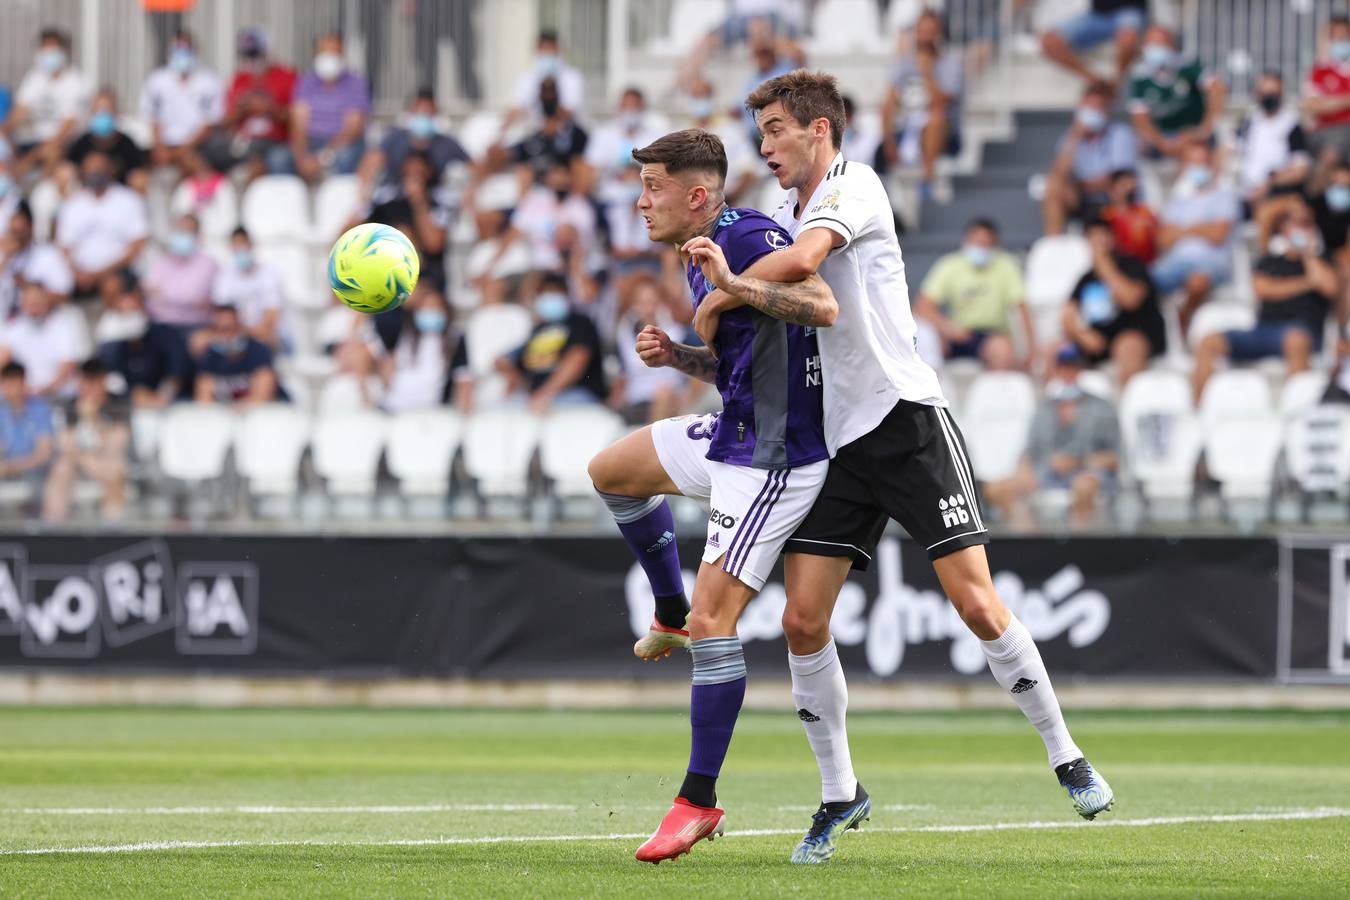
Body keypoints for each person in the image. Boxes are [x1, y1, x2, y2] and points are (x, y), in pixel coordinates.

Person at [705, 71, 1112, 856]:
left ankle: (1067, 755)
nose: (766, 146)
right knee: (799, 620)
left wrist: (726, 287)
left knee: (977, 605)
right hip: (839, 442)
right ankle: (838, 794)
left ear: (819, 130)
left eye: (777, 131)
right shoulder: (783, 211)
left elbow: (804, 262)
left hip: (906, 420)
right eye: (761, 133)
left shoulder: (853, 189)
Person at [583, 129, 839, 864]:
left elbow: (821, 305)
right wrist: (683, 356)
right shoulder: (703, 252)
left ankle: (697, 800)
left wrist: (727, 284)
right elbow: (746, 363)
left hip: (772, 459)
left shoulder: (748, 235)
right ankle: (664, 611)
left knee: (715, 617)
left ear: (697, 196)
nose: (640, 202)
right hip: (734, 429)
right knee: (613, 470)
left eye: (653, 188)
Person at [1191, 205, 1337, 401]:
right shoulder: (1269, 261)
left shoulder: (1322, 260)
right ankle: (1199, 410)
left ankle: (1297, 410)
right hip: (1263, 331)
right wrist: (1307, 284)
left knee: (1295, 339)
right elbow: (1263, 290)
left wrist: (1308, 255)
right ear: (1284, 228)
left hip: (1303, 333)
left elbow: (1329, 287)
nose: (1301, 228)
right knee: (1208, 341)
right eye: (1296, 223)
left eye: (1306, 223)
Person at [984, 346, 1121, 527]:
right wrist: (1024, 469)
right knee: (996, 489)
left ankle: (1079, 547)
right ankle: (1029, 542)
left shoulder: (1102, 407)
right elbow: (1029, 449)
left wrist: (1079, 461)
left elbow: (1115, 457)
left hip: (1088, 472)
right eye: (1064, 367)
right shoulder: (1044, 408)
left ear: (1081, 369)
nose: (1068, 373)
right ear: (1057, 370)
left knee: (1083, 486)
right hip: (1047, 472)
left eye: (1073, 367)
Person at [915, 218, 1032, 370]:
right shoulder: (950, 265)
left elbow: (1022, 307)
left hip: (991, 335)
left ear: (994, 246)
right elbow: (922, 306)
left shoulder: (1006, 266)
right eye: (976, 242)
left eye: (985, 244)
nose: (980, 248)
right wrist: (947, 328)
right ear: (966, 241)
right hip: (955, 335)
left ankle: (995, 392)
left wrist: (1031, 350)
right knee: (927, 340)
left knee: (1001, 349)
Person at [1150, 139, 1240, 331]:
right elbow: (1162, 239)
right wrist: (1200, 228)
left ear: (1211, 165)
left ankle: (1184, 320)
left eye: (1202, 162)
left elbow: (1218, 234)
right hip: (1174, 265)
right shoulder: (1176, 201)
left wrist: (1181, 231)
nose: (1198, 167)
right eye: (1193, 162)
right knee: (1141, 284)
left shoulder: (1224, 196)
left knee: (1197, 282)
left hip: (1210, 264)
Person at [1063, 217, 1163, 386]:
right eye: (1092, 238)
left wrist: (1104, 265)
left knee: (1127, 347)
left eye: (1102, 236)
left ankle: (1130, 405)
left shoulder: (1132, 265)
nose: (1097, 243)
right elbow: (1067, 316)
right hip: (1100, 342)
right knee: (1057, 352)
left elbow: (1131, 299)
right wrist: (1083, 336)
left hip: (1136, 334)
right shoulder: (1085, 278)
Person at [498, 273, 608, 413]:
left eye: (554, 292)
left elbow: (577, 359)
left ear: (566, 295)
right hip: (539, 400)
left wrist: (545, 394)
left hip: (575, 395)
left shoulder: (579, 323)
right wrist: (516, 380)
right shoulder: (537, 330)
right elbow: (507, 362)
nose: (550, 297)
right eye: (545, 293)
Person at [879, 10, 963, 187]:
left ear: (938, 33)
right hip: (907, 126)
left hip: (943, 132)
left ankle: (927, 179)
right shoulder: (903, 63)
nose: (926, 36)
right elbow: (889, 101)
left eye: (931, 31)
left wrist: (927, 72)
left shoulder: (950, 63)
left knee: (936, 117)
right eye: (923, 31)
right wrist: (888, 140)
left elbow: (942, 101)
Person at [1042, 83, 1138, 235]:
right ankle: (1053, 244)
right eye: (1088, 106)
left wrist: (1080, 185)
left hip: (1112, 197)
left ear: (1106, 111)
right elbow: (1059, 174)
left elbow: (1117, 178)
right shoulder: (1070, 137)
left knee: (1121, 186)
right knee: (1054, 185)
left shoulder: (1120, 134)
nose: (1091, 112)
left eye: (1096, 107)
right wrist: (1075, 137)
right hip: (1081, 198)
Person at [42, 358, 128, 522]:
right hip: (78, 461)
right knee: (60, 470)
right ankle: (54, 523)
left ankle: (113, 527)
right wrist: (86, 460)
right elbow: (65, 443)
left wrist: (92, 419)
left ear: (103, 381)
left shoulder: (118, 404)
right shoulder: (70, 405)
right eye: (84, 382)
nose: (87, 389)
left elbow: (116, 444)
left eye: (92, 382)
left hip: (107, 460)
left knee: (114, 471)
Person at [55, 151, 148, 297]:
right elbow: (65, 247)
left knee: (111, 285)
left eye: (100, 169)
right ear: (83, 172)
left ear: (111, 170)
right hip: (80, 273)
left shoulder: (129, 200)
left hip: (117, 270)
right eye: (91, 169)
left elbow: (137, 245)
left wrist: (100, 274)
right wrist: (77, 273)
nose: (96, 173)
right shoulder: (72, 204)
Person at [611, 272, 698, 424]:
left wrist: (687, 398)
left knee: (667, 394)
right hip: (640, 399)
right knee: (664, 394)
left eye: (652, 302)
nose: (648, 308)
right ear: (634, 305)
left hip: (675, 397)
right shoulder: (624, 333)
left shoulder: (677, 330)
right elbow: (621, 373)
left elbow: (696, 371)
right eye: (642, 303)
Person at [1128, 25, 1226, 159]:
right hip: (1163, 136)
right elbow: (1140, 117)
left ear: (1171, 45)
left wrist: (1204, 128)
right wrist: (1161, 142)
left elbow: (1217, 89)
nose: (1155, 49)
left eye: (1160, 43)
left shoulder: (1187, 65)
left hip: (1193, 131)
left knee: (1198, 152)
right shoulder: (1140, 75)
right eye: (1151, 43)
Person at [359, 88, 468, 206]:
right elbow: (372, 160)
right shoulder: (395, 137)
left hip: (431, 200)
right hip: (394, 196)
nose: (424, 114)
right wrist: (364, 191)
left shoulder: (447, 143)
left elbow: (473, 166)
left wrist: (471, 191)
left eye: (428, 111)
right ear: (412, 110)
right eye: (420, 110)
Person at [6, 28, 92, 177]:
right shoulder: (34, 77)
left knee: (51, 153)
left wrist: (28, 160)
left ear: (64, 52)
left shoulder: (77, 82)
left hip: (65, 144)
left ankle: (45, 196)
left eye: (53, 49)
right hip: (33, 141)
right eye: (45, 49)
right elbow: (19, 112)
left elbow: (65, 131)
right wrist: (4, 132)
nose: (48, 55)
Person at [284, 33, 371, 180]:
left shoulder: (356, 83)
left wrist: (322, 158)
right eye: (325, 52)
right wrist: (302, 157)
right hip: (312, 142)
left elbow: (353, 130)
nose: (330, 57)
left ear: (343, 55)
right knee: (281, 159)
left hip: (341, 145)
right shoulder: (307, 82)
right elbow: (298, 125)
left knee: (346, 158)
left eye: (334, 52)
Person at [139, 30, 225, 174]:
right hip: (164, 146)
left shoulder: (209, 81)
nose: (182, 54)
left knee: (190, 161)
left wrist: (181, 151)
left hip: (198, 146)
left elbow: (210, 124)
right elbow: (152, 117)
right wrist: (160, 148)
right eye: (178, 49)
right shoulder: (157, 80)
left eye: (187, 49)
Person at [95, 282, 191, 408]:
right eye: (124, 313)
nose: (129, 317)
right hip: (133, 405)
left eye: (133, 309)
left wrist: (162, 396)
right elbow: (114, 379)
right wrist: (133, 394)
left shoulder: (164, 334)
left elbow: (177, 370)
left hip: (171, 404)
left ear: (143, 309)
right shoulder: (116, 345)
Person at [217, 26, 297, 178]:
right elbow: (226, 122)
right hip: (243, 141)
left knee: (274, 160)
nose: (253, 60)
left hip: (275, 141)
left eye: (256, 54)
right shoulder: (239, 79)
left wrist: (269, 108)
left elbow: (296, 118)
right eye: (249, 55)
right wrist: (242, 109)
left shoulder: (287, 77)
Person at [380, 285, 468, 412]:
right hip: (393, 406)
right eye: (425, 307)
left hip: (430, 410)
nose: (429, 311)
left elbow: (464, 377)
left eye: (434, 307)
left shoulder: (454, 338)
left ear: (445, 311)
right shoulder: (403, 331)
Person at [1238, 71, 1310, 218]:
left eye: (1273, 91)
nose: (1268, 96)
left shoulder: (1291, 125)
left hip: (1277, 191)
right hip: (1244, 190)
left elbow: (1300, 170)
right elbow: (1229, 149)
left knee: (1265, 214)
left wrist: (1268, 185)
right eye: (1264, 91)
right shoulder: (1250, 121)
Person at [0, 280, 88, 399]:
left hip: (57, 396)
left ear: (46, 301)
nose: (33, 309)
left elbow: (69, 365)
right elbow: (3, 359)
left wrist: (47, 390)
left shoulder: (63, 326)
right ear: (22, 304)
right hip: (23, 398)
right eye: (29, 303)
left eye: (37, 302)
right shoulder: (13, 329)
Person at [1039, 0, 1146, 90]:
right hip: (1096, 13)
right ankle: (1095, 81)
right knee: (1049, 41)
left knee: (1127, 39)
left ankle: (1117, 84)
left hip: (1129, 11)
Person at [141, 213, 218, 336]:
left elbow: (194, 296)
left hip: (195, 326)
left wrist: (164, 296)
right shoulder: (162, 262)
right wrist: (183, 299)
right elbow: (148, 292)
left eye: (189, 232)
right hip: (161, 324)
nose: (184, 236)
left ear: (198, 236)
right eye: (181, 231)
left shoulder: (208, 264)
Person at [193, 303, 281, 407]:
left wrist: (239, 407)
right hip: (223, 416)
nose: (227, 336)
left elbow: (263, 394)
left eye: (230, 328)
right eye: (221, 330)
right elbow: (203, 399)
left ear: (240, 326)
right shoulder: (210, 355)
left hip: (256, 416)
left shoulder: (258, 351)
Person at [212, 227, 285, 350]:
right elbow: (221, 314)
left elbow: (272, 316)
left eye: (243, 243)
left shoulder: (269, 273)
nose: (240, 247)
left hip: (261, 333)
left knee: (265, 339)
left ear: (251, 244)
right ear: (230, 247)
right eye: (236, 243)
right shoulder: (224, 275)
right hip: (233, 332)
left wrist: (246, 331)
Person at [0, 204, 74, 321]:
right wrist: (6, 258)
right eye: (13, 232)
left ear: (30, 227)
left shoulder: (48, 255)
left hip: (41, 323)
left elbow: (64, 296)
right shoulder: (5, 256)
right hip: (8, 324)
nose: (16, 237)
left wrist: (29, 286)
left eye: (20, 231)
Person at [65, 89, 149, 188]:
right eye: (99, 110)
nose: (103, 114)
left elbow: (138, 172)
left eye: (107, 110)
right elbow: (70, 167)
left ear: (116, 112)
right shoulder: (81, 143)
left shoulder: (127, 144)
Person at [505, 30, 586, 131]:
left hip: (568, 135)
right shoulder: (528, 78)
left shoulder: (572, 77)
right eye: (543, 49)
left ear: (558, 49)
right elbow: (515, 109)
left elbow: (570, 111)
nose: (547, 53)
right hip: (540, 135)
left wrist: (549, 105)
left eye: (550, 49)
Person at [0, 362, 54, 509]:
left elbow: (43, 454)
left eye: (15, 384)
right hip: (7, 471)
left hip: (35, 471)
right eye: (8, 385)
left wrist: (11, 467)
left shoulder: (39, 409)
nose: (12, 391)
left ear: (24, 383)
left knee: (38, 483)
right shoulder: (2, 411)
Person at [1303, 16, 1350, 162]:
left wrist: (1328, 102)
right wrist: (1345, 100)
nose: (1339, 41)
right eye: (1335, 37)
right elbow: (1310, 105)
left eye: (1343, 37)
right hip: (1326, 132)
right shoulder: (1320, 71)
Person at [1100, 168, 1158, 264]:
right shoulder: (1105, 216)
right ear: (1111, 190)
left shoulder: (1146, 213)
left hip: (1148, 267)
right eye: (1124, 185)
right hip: (1119, 267)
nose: (1129, 190)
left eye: (1132, 186)